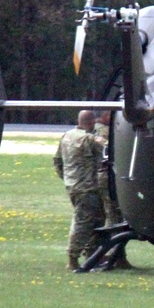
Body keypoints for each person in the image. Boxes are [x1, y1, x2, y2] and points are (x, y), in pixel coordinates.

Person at [53, 110, 106, 270]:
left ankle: (92, 256)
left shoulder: (67, 136)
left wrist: (68, 178)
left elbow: (57, 161)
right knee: (83, 222)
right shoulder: (89, 139)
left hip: (73, 186)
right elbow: (108, 149)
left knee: (95, 221)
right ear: (91, 122)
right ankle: (73, 258)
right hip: (88, 188)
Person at [93, 110, 132, 269]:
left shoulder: (93, 131)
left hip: (99, 178)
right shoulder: (104, 132)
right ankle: (117, 257)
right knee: (114, 218)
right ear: (104, 115)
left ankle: (106, 255)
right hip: (107, 178)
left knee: (106, 216)